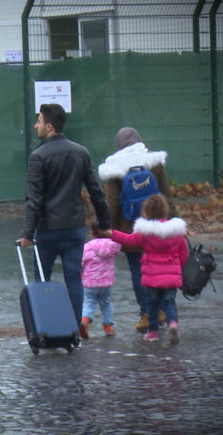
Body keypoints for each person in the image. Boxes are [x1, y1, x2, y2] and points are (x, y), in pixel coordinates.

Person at [17, 103, 111, 326]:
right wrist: (105, 223)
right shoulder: (81, 152)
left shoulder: (38, 157)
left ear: (49, 126)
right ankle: (77, 328)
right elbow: (96, 192)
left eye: (38, 121)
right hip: (73, 228)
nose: (35, 125)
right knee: (74, 279)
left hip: (47, 230)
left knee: (42, 279)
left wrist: (27, 233)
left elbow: (34, 200)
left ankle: (47, 325)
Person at [97, 127, 174, 332]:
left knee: (138, 272)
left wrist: (109, 229)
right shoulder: (154, 163)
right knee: (161, 266)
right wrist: (173, 220)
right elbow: (166, 193)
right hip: (158, 226)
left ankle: (146, 315)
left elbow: (112, 203)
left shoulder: (115, 168)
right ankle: (165, 310)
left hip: (130, 229)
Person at [104, 194, 187, 344]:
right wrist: (178, 267)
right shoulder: (176, 232)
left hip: (152, 276)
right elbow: (184, 253)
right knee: (169, 302)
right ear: (165, 211)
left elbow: (128, 240)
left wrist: (112, 234)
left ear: (146, 213)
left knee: (152, 303)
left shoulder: (145, 232)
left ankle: (153, 331)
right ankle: (173, 324)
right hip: (171, 276)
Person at [79, 221, 121, 339]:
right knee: (106, 304)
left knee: (88, 302)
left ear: (92, 233)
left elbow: (81, 262)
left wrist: (79, 274)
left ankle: (85, 320)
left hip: (89, 282)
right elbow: (119, 245)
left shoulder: (87, 247)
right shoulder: (113, 245)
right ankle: (108, 327)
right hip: (105, 283)